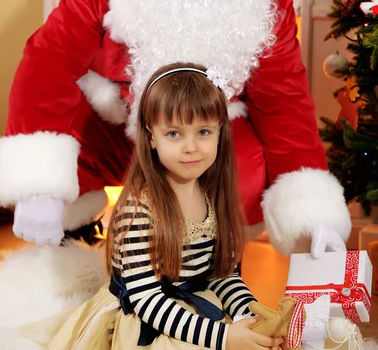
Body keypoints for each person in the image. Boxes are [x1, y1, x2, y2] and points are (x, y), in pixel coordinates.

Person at [0, 0, 351, 253]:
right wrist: (39, 184)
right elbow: (48, 62)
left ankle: (206, 259)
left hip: (205, 138)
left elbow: (284, 105)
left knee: (245, 163)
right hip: (118, 130)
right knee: (67, 114)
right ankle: (69, 239)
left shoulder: (268, 4)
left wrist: (312, 212)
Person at [36, 62, 285, 350]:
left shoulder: (213, 197)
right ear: (152, 136)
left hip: (195, 310)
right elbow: (147, 301)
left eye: (203, 132)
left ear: (220, 132)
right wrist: (224, 338)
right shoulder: (140, 207)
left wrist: (248, 312)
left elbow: (222, 274)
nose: (190, 147)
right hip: (148, 319)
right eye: (174, 134)